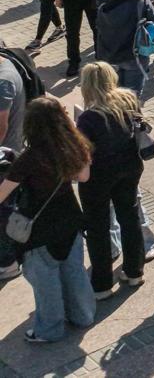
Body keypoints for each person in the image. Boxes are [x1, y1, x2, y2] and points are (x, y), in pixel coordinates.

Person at [0, 95, 95, 341]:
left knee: (46, 282)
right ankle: (83, 315)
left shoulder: (30, 157)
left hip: (38, 227)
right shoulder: (74, 146)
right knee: (74, 271)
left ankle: (50, 330)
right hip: (70, 218)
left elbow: (2, 194)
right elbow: (83, 177)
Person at [74, 64, 145, 301]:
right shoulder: (128, 100)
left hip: (98, 177)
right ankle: (135, 271)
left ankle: (102, 284)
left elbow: (83, 151)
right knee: (130, 217)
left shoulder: (88, 117)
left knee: (97, 227)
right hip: (130, 168)